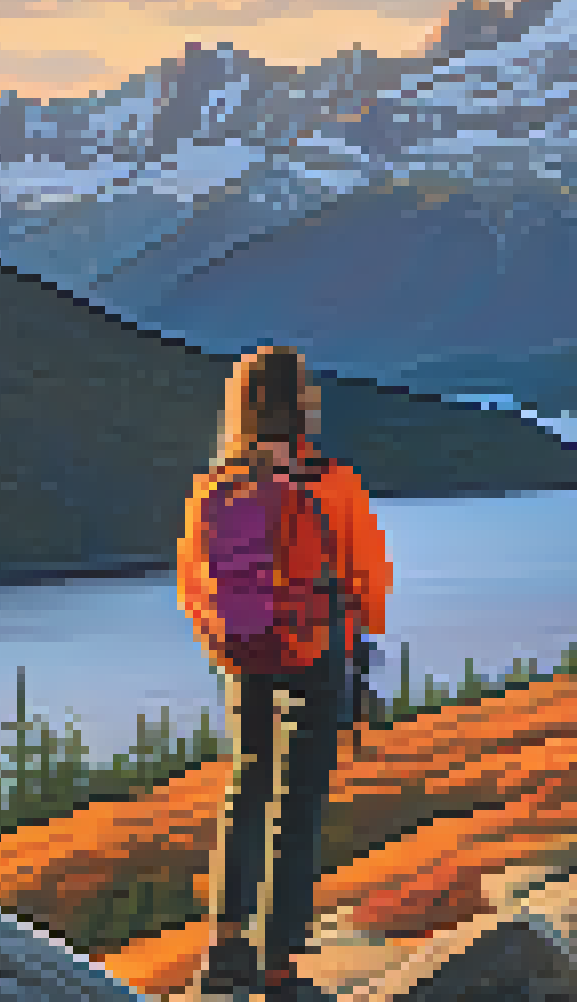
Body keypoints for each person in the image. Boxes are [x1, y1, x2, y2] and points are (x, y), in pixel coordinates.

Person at [180, 346, 391, 999]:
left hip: (245, 655)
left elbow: (192, 580)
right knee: (296, 809)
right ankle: (277, 968)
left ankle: (224, 944)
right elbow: (368, 577)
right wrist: (355, 637)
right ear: (299, 402)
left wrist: (227, 643)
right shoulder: (329, 479)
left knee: (246, 786)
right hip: (316, 650)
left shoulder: (221, 480)